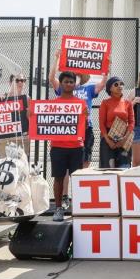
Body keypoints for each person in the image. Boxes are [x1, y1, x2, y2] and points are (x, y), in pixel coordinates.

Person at [49, 48, 108, 207]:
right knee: (62, 174)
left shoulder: (86, 92)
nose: (71, 81)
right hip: (62, 138)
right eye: (68, 79)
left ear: (79, 79)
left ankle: (79, 201)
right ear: (63, 83)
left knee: (82, 167)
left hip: (83, 133)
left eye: (74, 77)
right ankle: (63, 200)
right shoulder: (59, 94)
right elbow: (51, 78)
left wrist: (105, 69)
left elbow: (102, 84)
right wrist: (57, 58)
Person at [51, 71, 88, 222]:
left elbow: (83, 127)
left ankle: (77, 209)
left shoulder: (81, 104)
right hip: (58, 146)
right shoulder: (53, 104)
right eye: (65, 81)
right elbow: (44, 123)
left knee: (77, 179)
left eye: (71, 82)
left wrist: (85, 116)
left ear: (75, 84)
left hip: (76, 147)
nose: (68, 84)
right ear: (61, 83)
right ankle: (59, 209)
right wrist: (32, 115)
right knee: (58, 178)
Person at [99, 77, 134, 168]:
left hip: (124, 136)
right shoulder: (105, 103)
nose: (120, 86)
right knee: (108, 168)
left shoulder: (128, 103)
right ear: (110, 88)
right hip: (108, 137)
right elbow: (101, 124)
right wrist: (108, 141)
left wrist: (124, 139)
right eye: (116, 84)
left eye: (121, 84)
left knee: (124, 167)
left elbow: (131, 122)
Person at [0, 73, 31, 158]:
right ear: (10, 83)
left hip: (21, 138)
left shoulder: (27, 99)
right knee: (3, 167)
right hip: (4, 139)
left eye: (22, 80)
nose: (20, 83)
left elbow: (30, 120)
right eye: (17, 80)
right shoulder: (2, 98)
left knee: (21, 168)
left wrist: (30, 114)